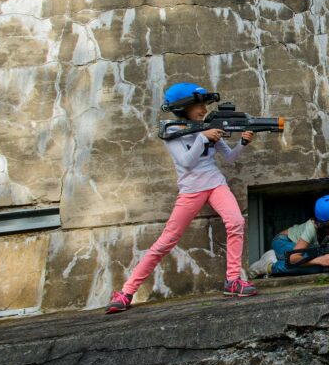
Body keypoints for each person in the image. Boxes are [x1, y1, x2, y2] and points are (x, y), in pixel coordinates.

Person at [105, 82, 258, 314]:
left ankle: (233, 280)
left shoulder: (208, 126)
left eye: (204, 105)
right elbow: (186, 163)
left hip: (215, 183)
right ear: (183, 107)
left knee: (236, 222)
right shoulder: (173, 130)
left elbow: (230, 158)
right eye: (198, 105)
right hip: (191, 189)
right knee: (166, 241)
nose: (203, 110)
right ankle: (126, 292)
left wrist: (243, 143)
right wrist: (203, 137)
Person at [248, 195, 329, 277]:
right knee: (314, 265)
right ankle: (268, 266)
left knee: (324, 261)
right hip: (283, 241)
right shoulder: (311, 227)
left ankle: (278, 258)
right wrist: (318, 260)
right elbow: (293, 259)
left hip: (303, 249)